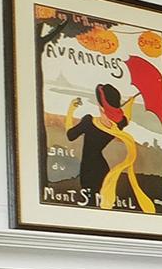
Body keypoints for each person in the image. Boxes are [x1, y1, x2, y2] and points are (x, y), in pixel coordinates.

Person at [63, 83, 155, 213]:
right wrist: (131, 103)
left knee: (91, 203)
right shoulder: (116, 126)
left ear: (101, 107)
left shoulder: (89, 121)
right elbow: (126, 118)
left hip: (88, 168)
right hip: (102, 167)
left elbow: (70, 135)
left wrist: (71, 110)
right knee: (102, 200)